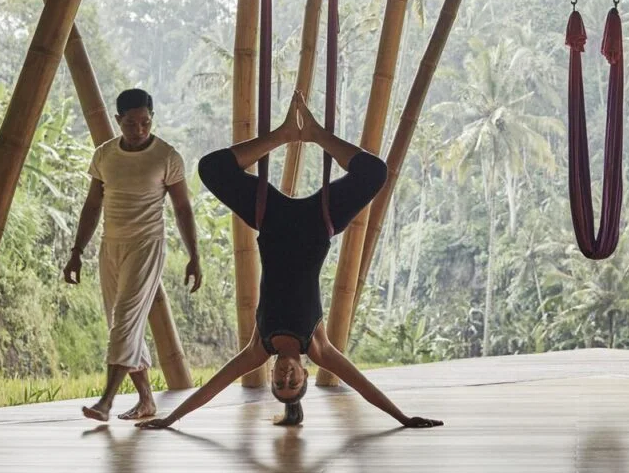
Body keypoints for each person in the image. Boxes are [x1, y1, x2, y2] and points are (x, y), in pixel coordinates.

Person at [139, 92, 441, 431]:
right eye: (292, 382)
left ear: (270, 376)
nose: (285, 376)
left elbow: (214, 386)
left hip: (271, 218)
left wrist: (170, 419)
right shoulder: (318, 347)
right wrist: (402, 417)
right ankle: (315, 135)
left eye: (279, 383)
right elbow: (361, 385)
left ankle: (283, 135)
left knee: (211, 169)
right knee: (374, 172)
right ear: (304, 374)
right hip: (319, 220)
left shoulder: (259, 347)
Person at [64, 88, 202, 422]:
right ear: (117, 121)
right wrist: (77, 251)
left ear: (152, 119)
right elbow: (92, 205)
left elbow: (182, 209)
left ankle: (106, 402)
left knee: (125, 320)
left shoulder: (167, 157)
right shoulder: (104, 156)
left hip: (147, 246)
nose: (139, 130)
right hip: (111, 246)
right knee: (121, 324)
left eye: (145, 122)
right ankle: (146, 401)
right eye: (131, 123)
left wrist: (194, 255)